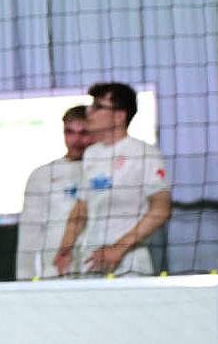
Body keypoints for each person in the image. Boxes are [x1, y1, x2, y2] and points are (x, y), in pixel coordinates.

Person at [55, 82, 171, 277]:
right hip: (91, 261)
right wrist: (65, 248)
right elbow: (81, 209)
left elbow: (161, 209)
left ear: (119, 116)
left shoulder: (144, 153)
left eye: (98, 107)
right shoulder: (92, 154)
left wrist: (118, 249)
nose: (89, 112)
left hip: (129, 264)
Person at [15, 106, 91, 280]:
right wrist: (23, 279)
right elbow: (29, 233)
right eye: (70, 132)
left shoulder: (104, 171)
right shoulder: (42, 175)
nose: (76, 140)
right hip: (55, 269)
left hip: (94, 267)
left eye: (83, 133)